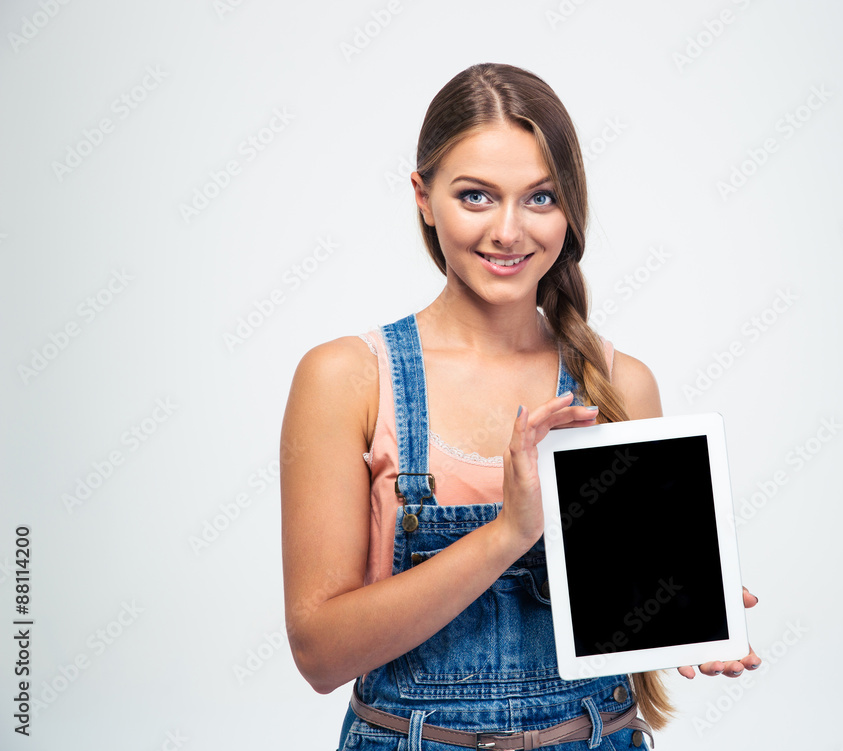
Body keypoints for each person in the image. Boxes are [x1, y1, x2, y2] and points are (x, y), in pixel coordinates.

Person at [280, 62, 760, 750]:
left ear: (571, 206)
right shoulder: (348, 377)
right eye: (476, 196)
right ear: (423, 196)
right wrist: (508, 531)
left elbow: (626, 627)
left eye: (540, 198)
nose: (509, 231)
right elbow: (320, 654)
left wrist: (691, 615)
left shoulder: (621, 383)